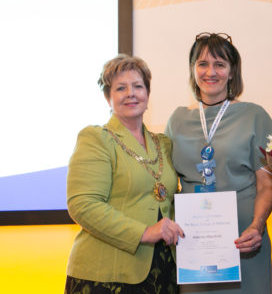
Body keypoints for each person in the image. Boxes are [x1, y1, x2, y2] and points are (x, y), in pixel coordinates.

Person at [165, 32, 272, 294]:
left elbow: (267, 184)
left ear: (232, 72)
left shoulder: (254, 116)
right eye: (202, 64)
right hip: (194, 243)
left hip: (245, 240)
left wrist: (257, 225)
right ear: (192, 70)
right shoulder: (177, 120)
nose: (210, 72)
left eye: (220, 64)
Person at [65, 54, 184, 294]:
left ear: (147, 95)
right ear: (108, 98)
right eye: (121, 88)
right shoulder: (95, 138)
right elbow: (83, 205)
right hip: (107, 276)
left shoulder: (163, 144)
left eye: (138, 86)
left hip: (164, 271)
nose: (131, 93)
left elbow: (168, 200)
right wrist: (145, 232)